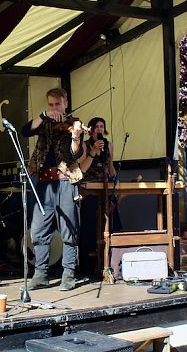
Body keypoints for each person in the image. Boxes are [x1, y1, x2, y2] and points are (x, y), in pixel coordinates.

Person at [21, 87, 85, 291]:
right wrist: (44, 115)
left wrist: (75, 136)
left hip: (65, 180)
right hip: (44, 182)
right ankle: (41, 274)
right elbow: (25, 131)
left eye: (58, 104)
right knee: (39, 229)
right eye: (51, 104)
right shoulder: (44, 122)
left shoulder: (74, 123)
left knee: (69, 228)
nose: (54, 108)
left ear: (65, 103)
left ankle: (68, 273)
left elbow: (76, 154)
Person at [77, 117, 116, 277]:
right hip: (89, 189)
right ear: (91, 130)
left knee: (111, 223)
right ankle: (88, 266)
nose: (100, 129)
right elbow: (82, 169)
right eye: (97, 127)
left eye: (102, 126)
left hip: (105, 188)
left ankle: (110, 262)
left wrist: (115, 179)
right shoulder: (85, 146)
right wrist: (93, 151)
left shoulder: (109, 145)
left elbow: (110, 166)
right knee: (90, 226)